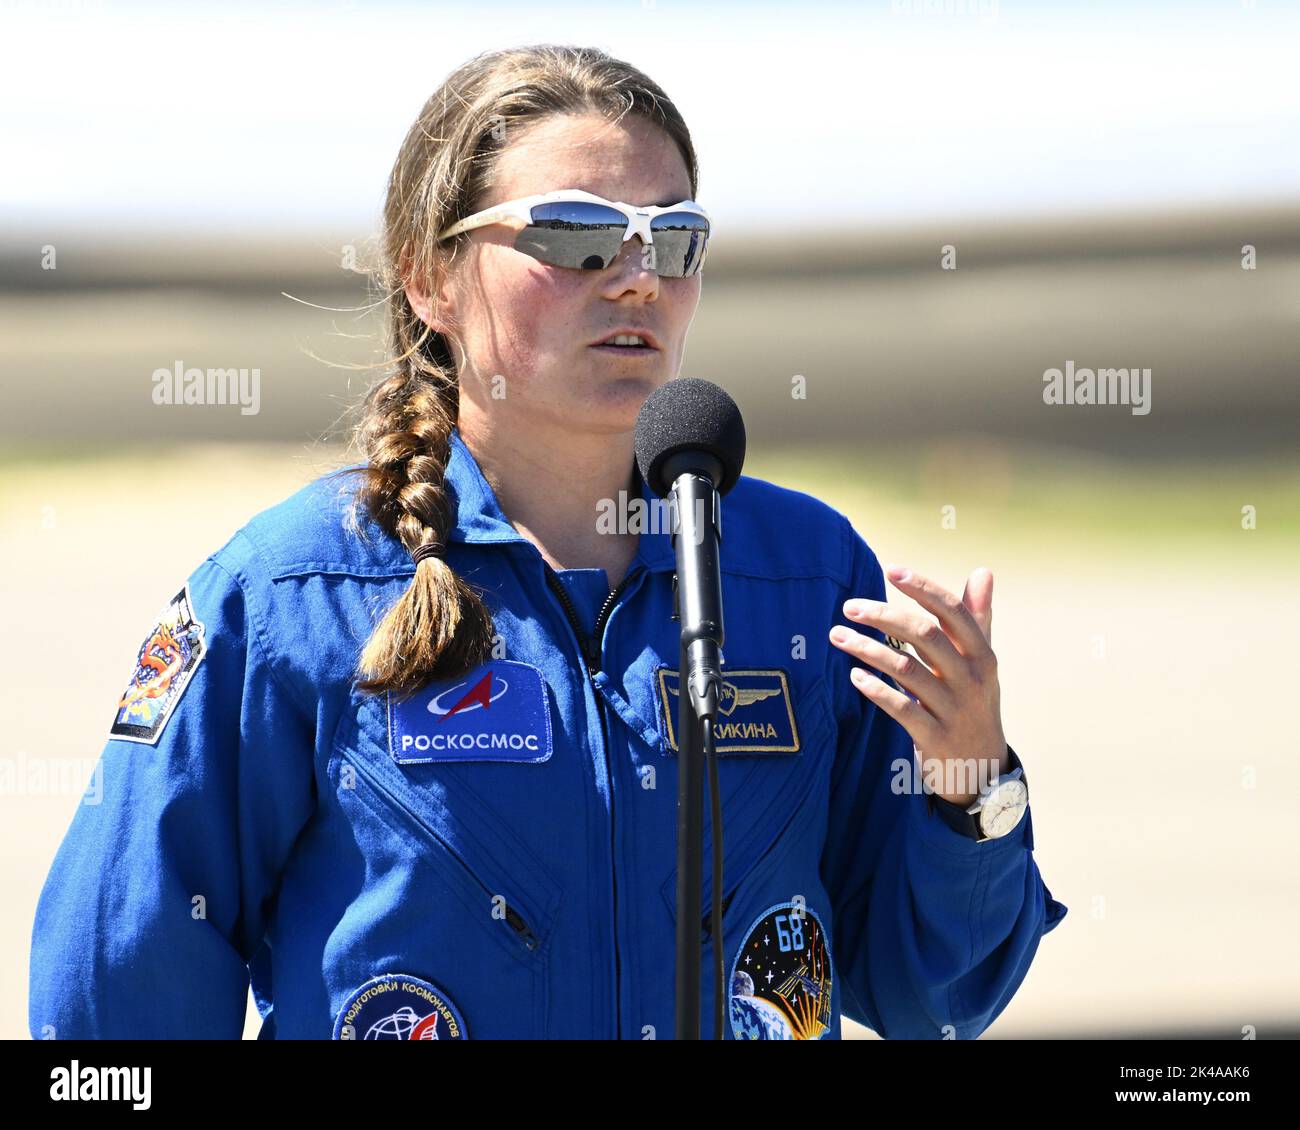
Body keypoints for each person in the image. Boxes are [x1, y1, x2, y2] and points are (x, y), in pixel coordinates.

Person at [28, 44, 1066, 1041]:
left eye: (673, 240)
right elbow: (113, 993)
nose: (634, 278)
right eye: (575, 234)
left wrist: (970, 784)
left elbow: (937, 995)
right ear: (430, 277)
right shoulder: (288, 594)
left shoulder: (804, 578)